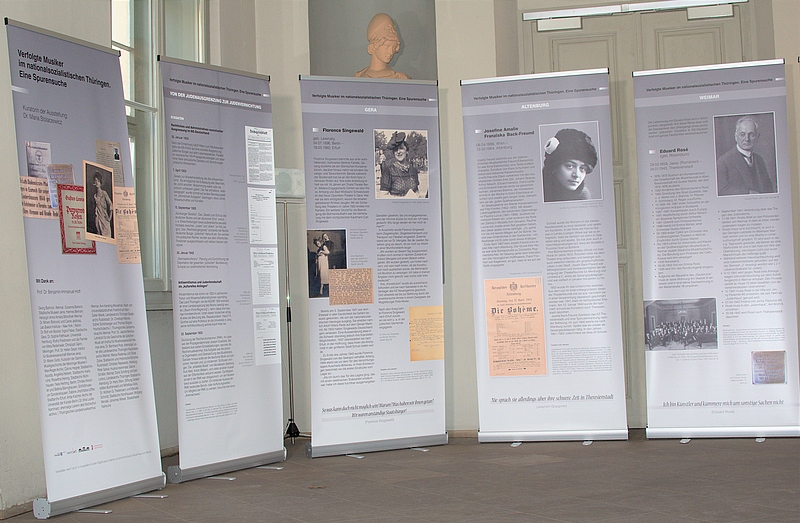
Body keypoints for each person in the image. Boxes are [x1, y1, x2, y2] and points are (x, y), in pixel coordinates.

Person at [717, 115, 776, 195]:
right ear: (736, 136)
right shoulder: (723, 162)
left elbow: (769, 189)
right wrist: (748, 193)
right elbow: (722, 190)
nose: (747, 139)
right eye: (742, 134)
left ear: (757, 137)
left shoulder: (760, 160)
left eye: (751, 134)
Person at [542, 128, 598, 202]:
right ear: (554, 166)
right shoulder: (540, 192)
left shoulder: (584, 198)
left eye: (582, 168)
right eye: (569, 166)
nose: (576, 175)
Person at [354, 13, 410, 79]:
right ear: (375, 45)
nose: (391, 52)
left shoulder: (401, 78)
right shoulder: (358, 77)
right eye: (387, 46)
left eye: (393, 47)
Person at [380, 131, 420, 197]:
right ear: (393, 153)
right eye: (396, 150)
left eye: (401, 148)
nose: (398, 152)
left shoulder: (413, 170)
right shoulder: (388, 170)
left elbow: (416, 191)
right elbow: (383, 195)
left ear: (407, 151)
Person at [92, 171, 112, 237]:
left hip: (105, 220)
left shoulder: (104, 193)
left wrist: (109, 218)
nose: (96, 182)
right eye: (95, 180)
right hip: (98, 220)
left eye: (98, 181)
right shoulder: (95, 196)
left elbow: (111, 204)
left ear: (100, 182)